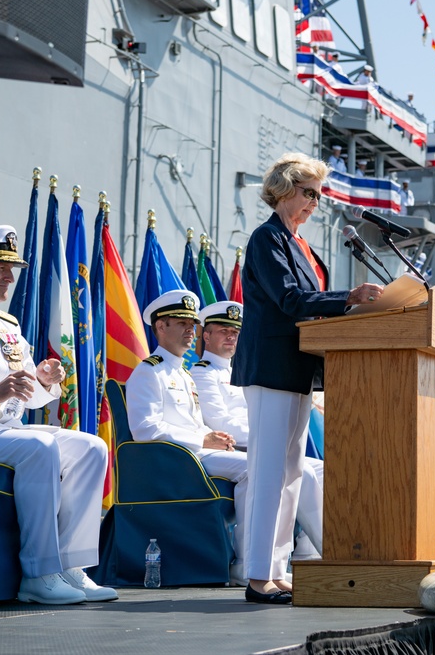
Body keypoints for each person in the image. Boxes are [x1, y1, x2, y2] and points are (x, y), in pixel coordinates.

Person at [231, 152, 382, 604]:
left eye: (319, 195)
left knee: (291, 473)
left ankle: (276, 571)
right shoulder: (267, 238)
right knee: (267, 473)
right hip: (272, 367)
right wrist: (349, 297)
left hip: (300, 369)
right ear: (283, 189)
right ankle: (258, 577)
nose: (314, 203)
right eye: (308, 192)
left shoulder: (305, 248)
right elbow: (291, 298)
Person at [0, 225, 115, 604]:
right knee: (39, 446)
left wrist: (44, 380)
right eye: (1, 266)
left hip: (6, 430)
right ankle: (39, 574)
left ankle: (72, 567)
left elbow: (28, 396)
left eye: (13, 267)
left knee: (91, 448)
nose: (10, 276)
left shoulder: (7, 326)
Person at [125, 290, 250, 584]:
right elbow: (145, 428)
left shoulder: (184, 373)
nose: (190, 331)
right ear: (160, 327)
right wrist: (202, 440)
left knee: (261, 465)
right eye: (181, 323)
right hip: (174, 460)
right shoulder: (148, 372)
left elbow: (190, 423)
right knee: (253, 469)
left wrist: (213, 435)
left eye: (192, 325)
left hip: (194, 454)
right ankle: (245, 563)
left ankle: (254, 561)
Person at [190, 301, 324, 559]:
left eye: (235, 332)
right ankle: (330, 553)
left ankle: (307, 554)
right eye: (223, 330)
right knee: (303, 471)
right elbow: (219, 421)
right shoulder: (201, 373)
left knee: (323, 469)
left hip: (257, 445)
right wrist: (268, 437)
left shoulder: (240, 370)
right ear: (206, 335)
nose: (231, 336)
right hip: (234, 448)